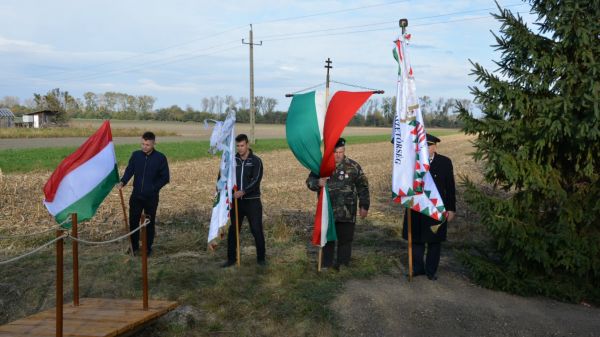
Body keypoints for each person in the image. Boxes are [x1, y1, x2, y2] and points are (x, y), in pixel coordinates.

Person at [306, 138, 369, 270]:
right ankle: (326, 265)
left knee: (345, 240)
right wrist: (318, 182)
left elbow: (363, 187)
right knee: (328, 240)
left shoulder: (353, 166)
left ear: (344, 150)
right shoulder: (321, 166)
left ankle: (343, 265)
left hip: (347, 211)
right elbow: (309, 181)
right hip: (328, 211)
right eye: (335, 152)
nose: (338, 155)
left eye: (341, 151)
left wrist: (364, 205)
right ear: (330, 152)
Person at [402, 133, 456, 280]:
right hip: (416, 207)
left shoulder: (445, 162)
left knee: (434, 241)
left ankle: (431, 271)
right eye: (424, 145)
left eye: (430, 145)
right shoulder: (413, 162)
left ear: (435, 146)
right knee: (417, 239)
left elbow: (450, 188)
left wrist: (451, 209)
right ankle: (417, 269)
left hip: (436, 208)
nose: (427, 148)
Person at [118, 131, 170, 256]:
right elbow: (129, 170)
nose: (144, 147)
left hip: (151, 198)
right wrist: (123, 181)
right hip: (136, 196)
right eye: (142, 144)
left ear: (154, 143)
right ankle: (134, 247)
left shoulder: (160, 158)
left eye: (147, 144)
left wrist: (153, 188)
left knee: (149, 223)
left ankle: (147, 248)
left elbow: (165, 178)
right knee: (134, 222)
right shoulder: (136, 156)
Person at [222, 134, 266, 267]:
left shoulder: (256, 161)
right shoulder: (232, 160)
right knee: (233, 231)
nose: (240, 148)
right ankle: (231, 259)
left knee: (256, 230)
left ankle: (261, 259)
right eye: (238, 146)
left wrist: (243, 191)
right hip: (236, 202)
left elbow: (256, 180)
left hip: (252, 201)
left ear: (247, 145)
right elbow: (225, 177)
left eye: (242, 145)